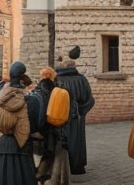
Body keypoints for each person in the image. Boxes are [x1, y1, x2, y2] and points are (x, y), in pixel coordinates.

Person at [0, 61, 36, 185]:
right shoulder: (27, 99)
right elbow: (31, 123)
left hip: (2, 145)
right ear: (22, 77)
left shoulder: (0, 97)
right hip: (20, 144)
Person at [55, 46, 95, 176]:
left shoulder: (57, 80)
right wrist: (81, 111)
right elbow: (90, 100)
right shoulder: (82, 79)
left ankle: (62, 168)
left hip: (61, 117)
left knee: (61, 142)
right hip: (77, 117)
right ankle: (77, 167)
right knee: (77, 141)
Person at [32, 68, 59, 184]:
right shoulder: (55, 90)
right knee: (49, 153)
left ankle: (38, 174)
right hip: (50, 128)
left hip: (39, 128)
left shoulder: (36, 91)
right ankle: (40, 174)